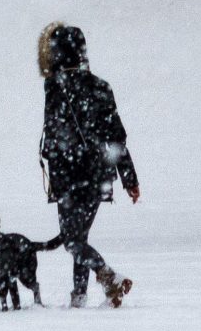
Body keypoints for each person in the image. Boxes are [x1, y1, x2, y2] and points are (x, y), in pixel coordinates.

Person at [38, 22, 139, 308]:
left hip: (67, 174)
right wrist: (129, 178)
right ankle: (79, 297)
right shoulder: (100, 87)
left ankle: (108, 277)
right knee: (79, 237)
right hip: (97, 174)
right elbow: (116, 136)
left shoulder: (54, 86)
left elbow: (55, 128)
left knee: (72, 240)